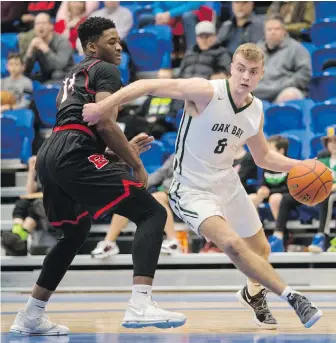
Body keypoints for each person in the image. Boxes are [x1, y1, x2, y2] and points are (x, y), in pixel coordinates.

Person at [82, 42, 323, 330]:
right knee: (232, 244)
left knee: (260, 250)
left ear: (261, 75)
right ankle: (293, 297)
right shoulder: (206, 91)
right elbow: (146, 84)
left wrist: (300, 165)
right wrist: (102, 106)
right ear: (232, 68)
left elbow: (264, 157)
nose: (245, 77)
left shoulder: (255, 109)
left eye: (253, 72)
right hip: (192, 188)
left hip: (227, 182)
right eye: (241, 69)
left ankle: (253, 294)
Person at [10, 17, 186, 336]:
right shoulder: (104, 69)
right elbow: (104, 123)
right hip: (72, 150)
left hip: (53, 153)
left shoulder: (75, 73)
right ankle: (140, 303)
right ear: (93, 46)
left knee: (75, 235)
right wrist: (136, 165)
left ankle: (31, 315)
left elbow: (82, 133)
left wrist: (120, 153)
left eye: (119, 41)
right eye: (111, 41)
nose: (119, 46)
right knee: (151, 212)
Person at [91, 154, 181, 258]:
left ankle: (172, 242)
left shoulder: (200, 156)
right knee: (128, 198)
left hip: (186, 195)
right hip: (167, 194)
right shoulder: (177, 154)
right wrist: (137, 186)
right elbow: (160, 173)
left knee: (157, 197)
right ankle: (109, 244)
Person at [254, 15, 312, 103]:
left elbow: (305, 73)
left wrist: (286, 84)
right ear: (264, 32)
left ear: (284, 31)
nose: (273, 32)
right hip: (258, 92)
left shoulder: (296, 48)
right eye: (269, 29)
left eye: (277, 29)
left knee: (290, 95)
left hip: (283, 91)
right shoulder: (255, 50)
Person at [24, 13, 74, 82]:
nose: (40, 26)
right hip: (47, 75)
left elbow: (60, 66)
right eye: (37, 24)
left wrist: (46, 49)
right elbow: (26, 70)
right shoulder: (36, 42)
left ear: (51, 26)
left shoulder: (62, 42)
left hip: (66, 76)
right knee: (26, 78)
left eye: (43, 23)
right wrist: (30, 50)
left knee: (56, 74)